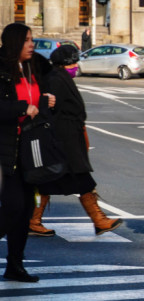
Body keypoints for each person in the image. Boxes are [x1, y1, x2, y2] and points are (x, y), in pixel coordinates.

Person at [27, 45, 123, 238]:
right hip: (64, 139)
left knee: (50, 181)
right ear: (66, 63)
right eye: (73, 62)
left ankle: (34, 220)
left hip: (68, 137)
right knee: (80, 179)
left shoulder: (58, 76)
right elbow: (53, 111)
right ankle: (99, 221)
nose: (75, 65)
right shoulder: (55, 79)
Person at [0, 23, 56, 282]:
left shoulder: (31, 67)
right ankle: (14, 264)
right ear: (14, 43)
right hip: (6, 147)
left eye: (32, 39)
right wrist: (22, 108)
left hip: (29, 147)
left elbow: (37, 101)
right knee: (13, 207)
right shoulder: (2, 69)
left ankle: (15, 266)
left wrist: (45, 101)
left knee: (25, 210)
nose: (32, 44)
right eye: (27, 40)